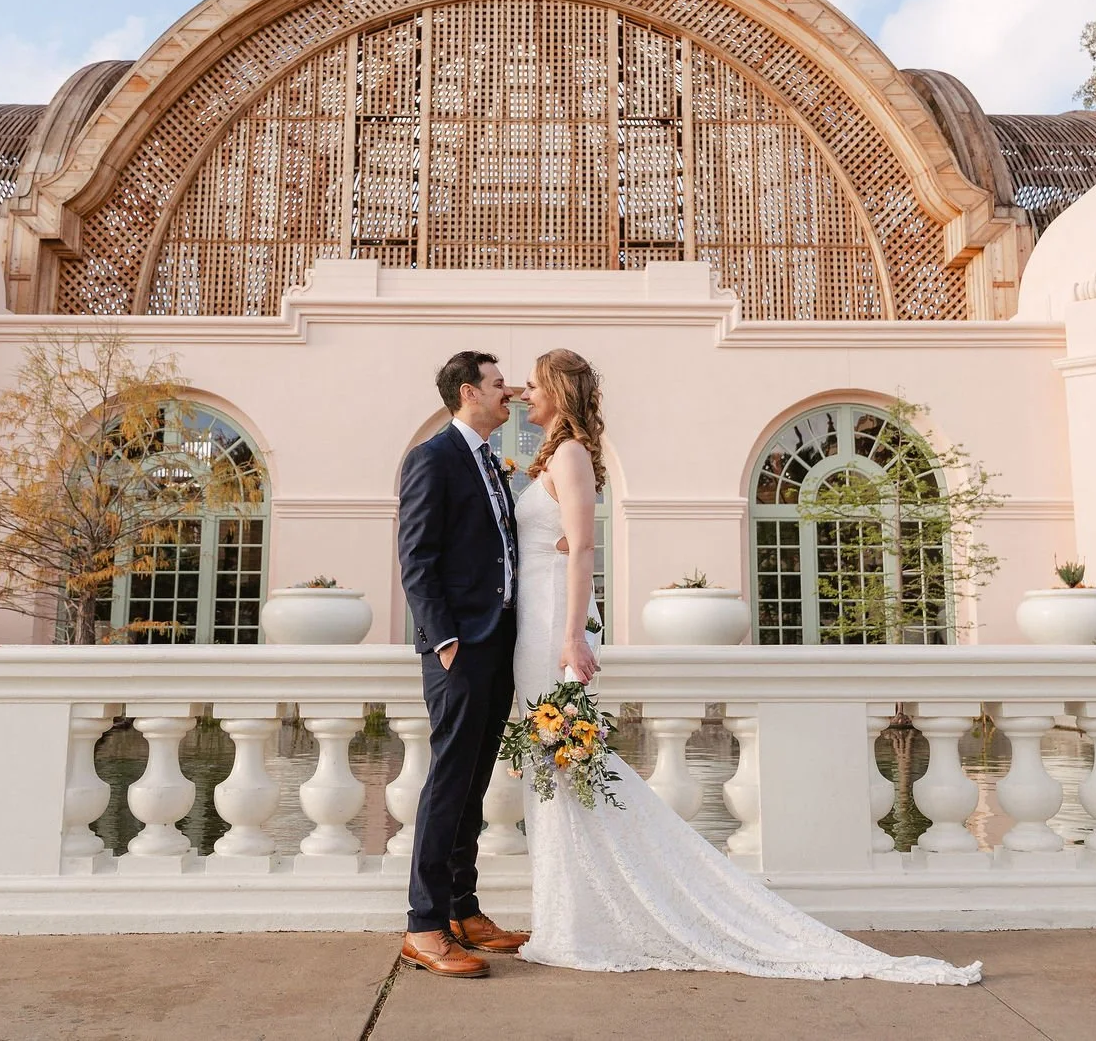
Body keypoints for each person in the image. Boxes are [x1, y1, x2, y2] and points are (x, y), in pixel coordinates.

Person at [509, 347, 982, 985]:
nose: (521, 393)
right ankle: (568, 915)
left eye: (533, 385)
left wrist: (572, 637)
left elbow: (584, 549)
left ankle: (580, 921)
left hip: (550, 631)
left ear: (559, 394)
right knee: (557, 766)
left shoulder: (568, 457)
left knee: (565, 763)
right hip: (534, 625)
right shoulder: (556, 456)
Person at [395, 351, 532, 978]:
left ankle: (461, 909)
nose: (511, 392)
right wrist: (444, 637)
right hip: (459, 646)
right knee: (449, 781)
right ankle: (423, 926)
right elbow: (418, 558)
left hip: (498, 640)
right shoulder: (433, 458)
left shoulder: (488, 462)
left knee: (475, 781)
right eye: (500, 384)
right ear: (467, 392)